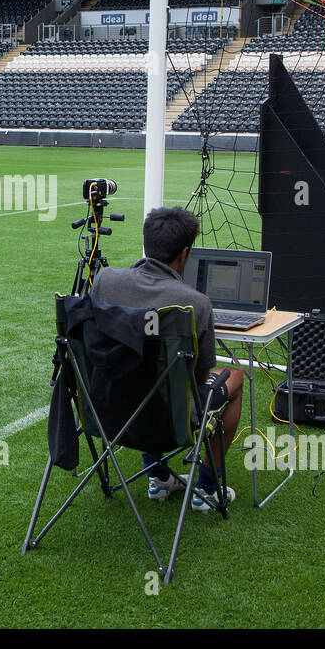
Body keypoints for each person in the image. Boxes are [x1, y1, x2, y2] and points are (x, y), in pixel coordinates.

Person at [90, 206, 243, 511]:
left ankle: (159, 477)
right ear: (185, 253)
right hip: (168, 422)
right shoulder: (196, 304)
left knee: (142, 375)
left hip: (104, 412)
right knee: (236, 377)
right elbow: (199, 379)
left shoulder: (104, 281)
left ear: (145, 244)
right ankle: (208, 489)